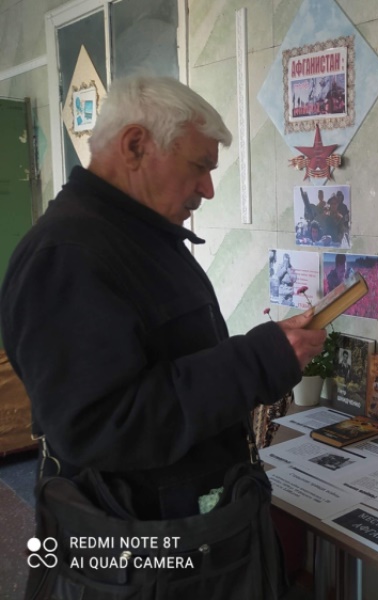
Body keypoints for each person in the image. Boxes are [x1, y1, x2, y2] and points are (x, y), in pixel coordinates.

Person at [0, 76, 327, 599]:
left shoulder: (137, 235)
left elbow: (171, 364)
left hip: (188, 545)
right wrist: (258, 361)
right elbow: (102, 425)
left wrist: (267, 353)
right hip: (142, 563)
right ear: (135, 146)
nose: (209, 189)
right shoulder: (66, 256)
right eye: (199, 166)